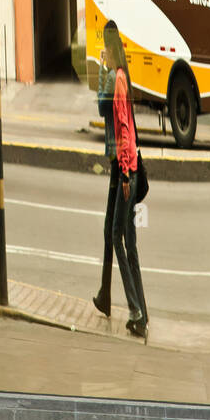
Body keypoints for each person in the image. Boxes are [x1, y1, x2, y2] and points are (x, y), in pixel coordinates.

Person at [104, 20, 148, 338]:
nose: (102, 53)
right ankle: (142, 312)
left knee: (117, 237)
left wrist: (125, 173)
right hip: (130, 167)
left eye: (104, 48)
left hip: (127, 171)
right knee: (130, 244)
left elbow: (123, 131)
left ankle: (134, 309)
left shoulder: (118, 80)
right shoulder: (124, 77)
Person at [92, 35, 120, 319]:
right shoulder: (119, 74)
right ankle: (105, 294)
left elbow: (102, 107)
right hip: (118, 158)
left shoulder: (112, 76)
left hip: (116, 158)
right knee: (112, 232)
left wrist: (100, 72)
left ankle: (109, 296)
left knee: (112, 232)